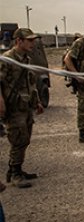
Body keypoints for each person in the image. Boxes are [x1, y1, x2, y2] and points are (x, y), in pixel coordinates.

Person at [0, 28, 44, 189]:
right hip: (13, 107)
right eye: (29, 40)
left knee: (24, 138)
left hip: (25, 106)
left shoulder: (25, 59)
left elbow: (30, 83)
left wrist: (37, 101)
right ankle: (15, 173)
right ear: (18, 41)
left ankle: (15, 169)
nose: (33, 43)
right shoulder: (7, 59)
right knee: (18, 139)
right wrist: (1, 102)